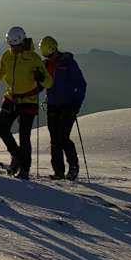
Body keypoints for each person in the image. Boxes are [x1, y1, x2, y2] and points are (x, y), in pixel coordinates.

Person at [0, 26, 52, 179]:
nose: (14, 48)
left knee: (24, 136)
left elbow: (49, 82)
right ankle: (17, 156)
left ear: (23, 41)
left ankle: (24, 168)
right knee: (1, 127)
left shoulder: (34, 58)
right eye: (11, 45)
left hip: (28, 100)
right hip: (11, 97)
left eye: (16, 45)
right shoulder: (7, 55)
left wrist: (41, 78)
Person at [40, 36, 87, 180]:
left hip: (67, 106)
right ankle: (59, 171)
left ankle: (72, 167)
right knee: (55, 139)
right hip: (54, 106)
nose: (48, 57)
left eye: (49, 54)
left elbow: (81, 84)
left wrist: (76, 104)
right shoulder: (47, 64)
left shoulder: (68, 63)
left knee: (62, 137)